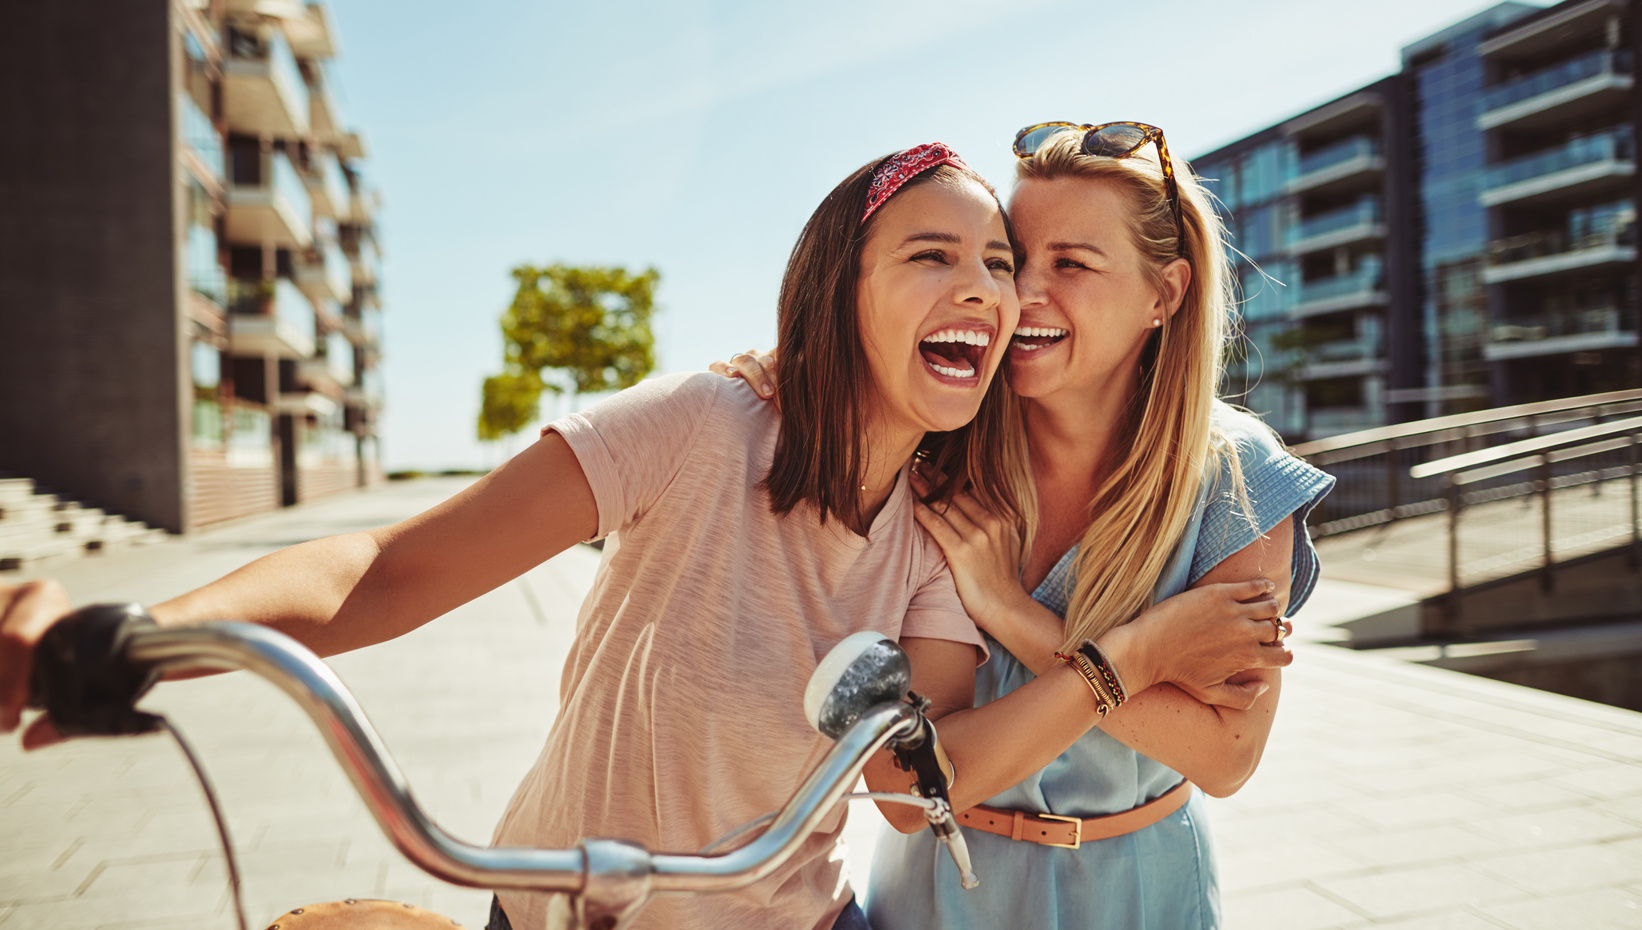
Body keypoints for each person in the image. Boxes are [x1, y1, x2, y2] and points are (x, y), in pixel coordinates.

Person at [0, 142, 1293, 930]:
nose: (987, 286)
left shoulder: (948, 527)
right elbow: (379, 570)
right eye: (931, 254)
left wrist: (1094, 653)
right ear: (832, 292)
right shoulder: (702, 424)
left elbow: (921, 778)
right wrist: (138, 636)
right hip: (559, 901)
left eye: (999, 264)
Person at [717, 123, 1335, 929]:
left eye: (1071, 264)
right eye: (1015, 258)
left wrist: (1015, 614)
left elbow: (1227, 756)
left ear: (1166, 293)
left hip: (1145, 895)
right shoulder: (936, 449)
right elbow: (913, 782)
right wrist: (789, 376)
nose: (1021, 295)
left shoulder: (1239, 481)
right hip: (939, 888)